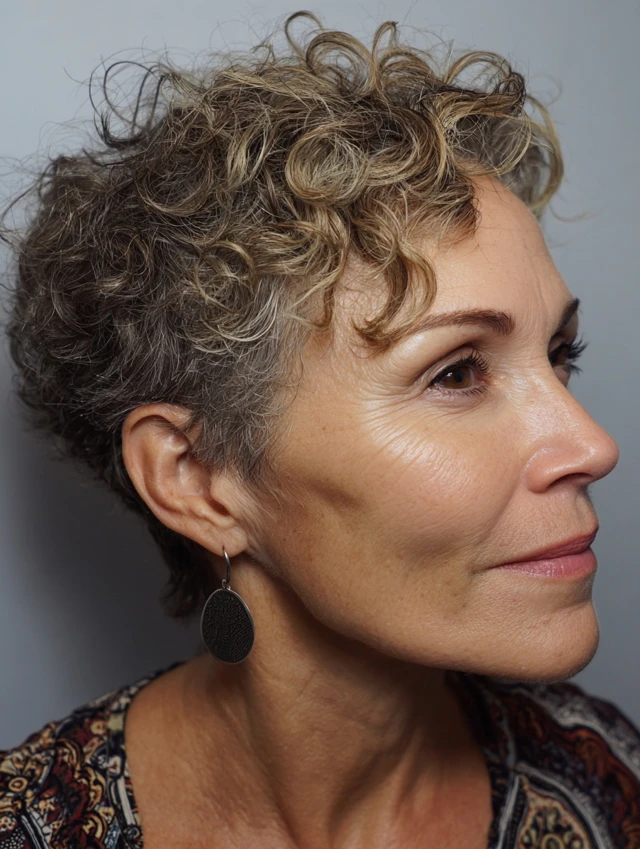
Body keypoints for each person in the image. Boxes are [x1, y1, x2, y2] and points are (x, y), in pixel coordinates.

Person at [0, 11, 638, 849]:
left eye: (560, 354)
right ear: (196, 478)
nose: (593, 445)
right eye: (456, 372)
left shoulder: (607, 783)